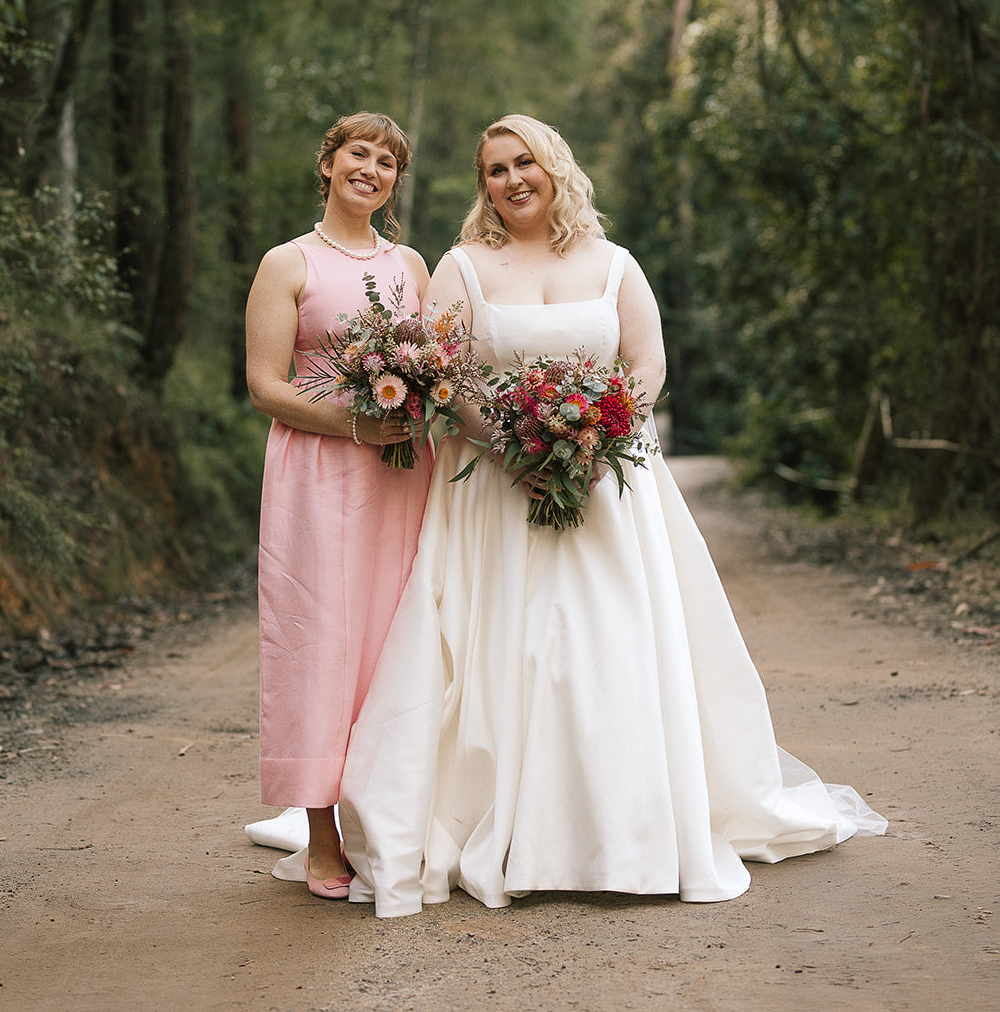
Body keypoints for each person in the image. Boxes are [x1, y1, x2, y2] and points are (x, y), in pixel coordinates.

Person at [302, 113, 884, 916]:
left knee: (606, 646)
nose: (511, 180)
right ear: (484, 187)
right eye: (494, 170)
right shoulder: (463, 266)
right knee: (512, 649)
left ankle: (625, 830)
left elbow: (645, 362)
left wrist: (597, 434)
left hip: (607, 486)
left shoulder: (614, 264)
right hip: (495, 491)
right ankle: (502, 825)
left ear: (554, 167)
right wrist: (514, 446)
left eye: (523, 163)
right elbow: (448, 374)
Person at [243, 112, 432, 899]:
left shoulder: (411, 265)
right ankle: (322, 833)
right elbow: (265, 384)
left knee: (397, 638)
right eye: (359, 152)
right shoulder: (286, 264)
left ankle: (394, 819)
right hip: (316, 474)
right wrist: (352, 422)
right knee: (320, 642)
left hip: (398, 473)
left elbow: (436, 360)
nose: (373, 168)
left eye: (388, 161)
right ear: (327, 163)